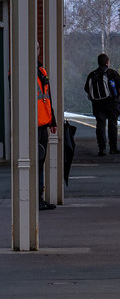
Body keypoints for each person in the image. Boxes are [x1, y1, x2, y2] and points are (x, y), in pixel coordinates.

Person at [84, 53, 120, 156]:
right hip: (112, 104)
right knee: (112, 125)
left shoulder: (92, 74)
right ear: (107, 62)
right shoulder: (112, 73)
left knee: (100, 125)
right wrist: (118, 99)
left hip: (98, 105)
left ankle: (102, 149)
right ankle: (113, 148)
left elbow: (87, 89)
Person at [37, 47, 58, 210]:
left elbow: (47, 98)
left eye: (37, 48)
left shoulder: (42, 72)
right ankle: (36, 198)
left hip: (44, 123)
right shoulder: (20, 71)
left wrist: (53, 121)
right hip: (32, 125)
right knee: (34, 162)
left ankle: (39, 198)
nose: (35, 50)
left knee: (40, 160)